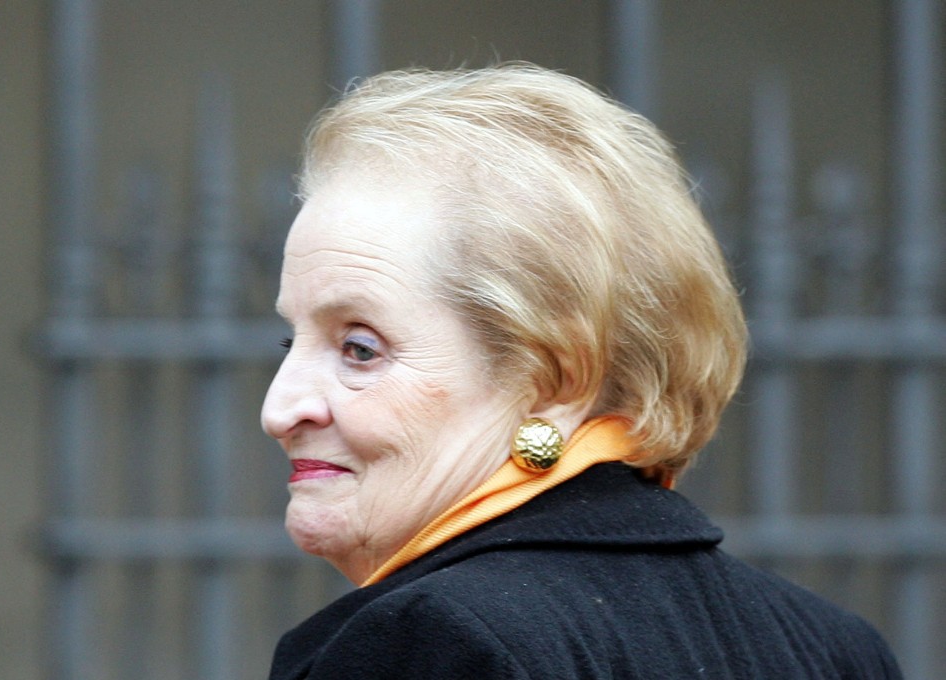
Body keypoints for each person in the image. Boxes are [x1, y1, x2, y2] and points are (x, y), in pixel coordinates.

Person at [261, 63, 901, 679]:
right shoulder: (834, 647)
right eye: (291, 341)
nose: (279, 410)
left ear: (555, 382)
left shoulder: (439, 641)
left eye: (360, 349)